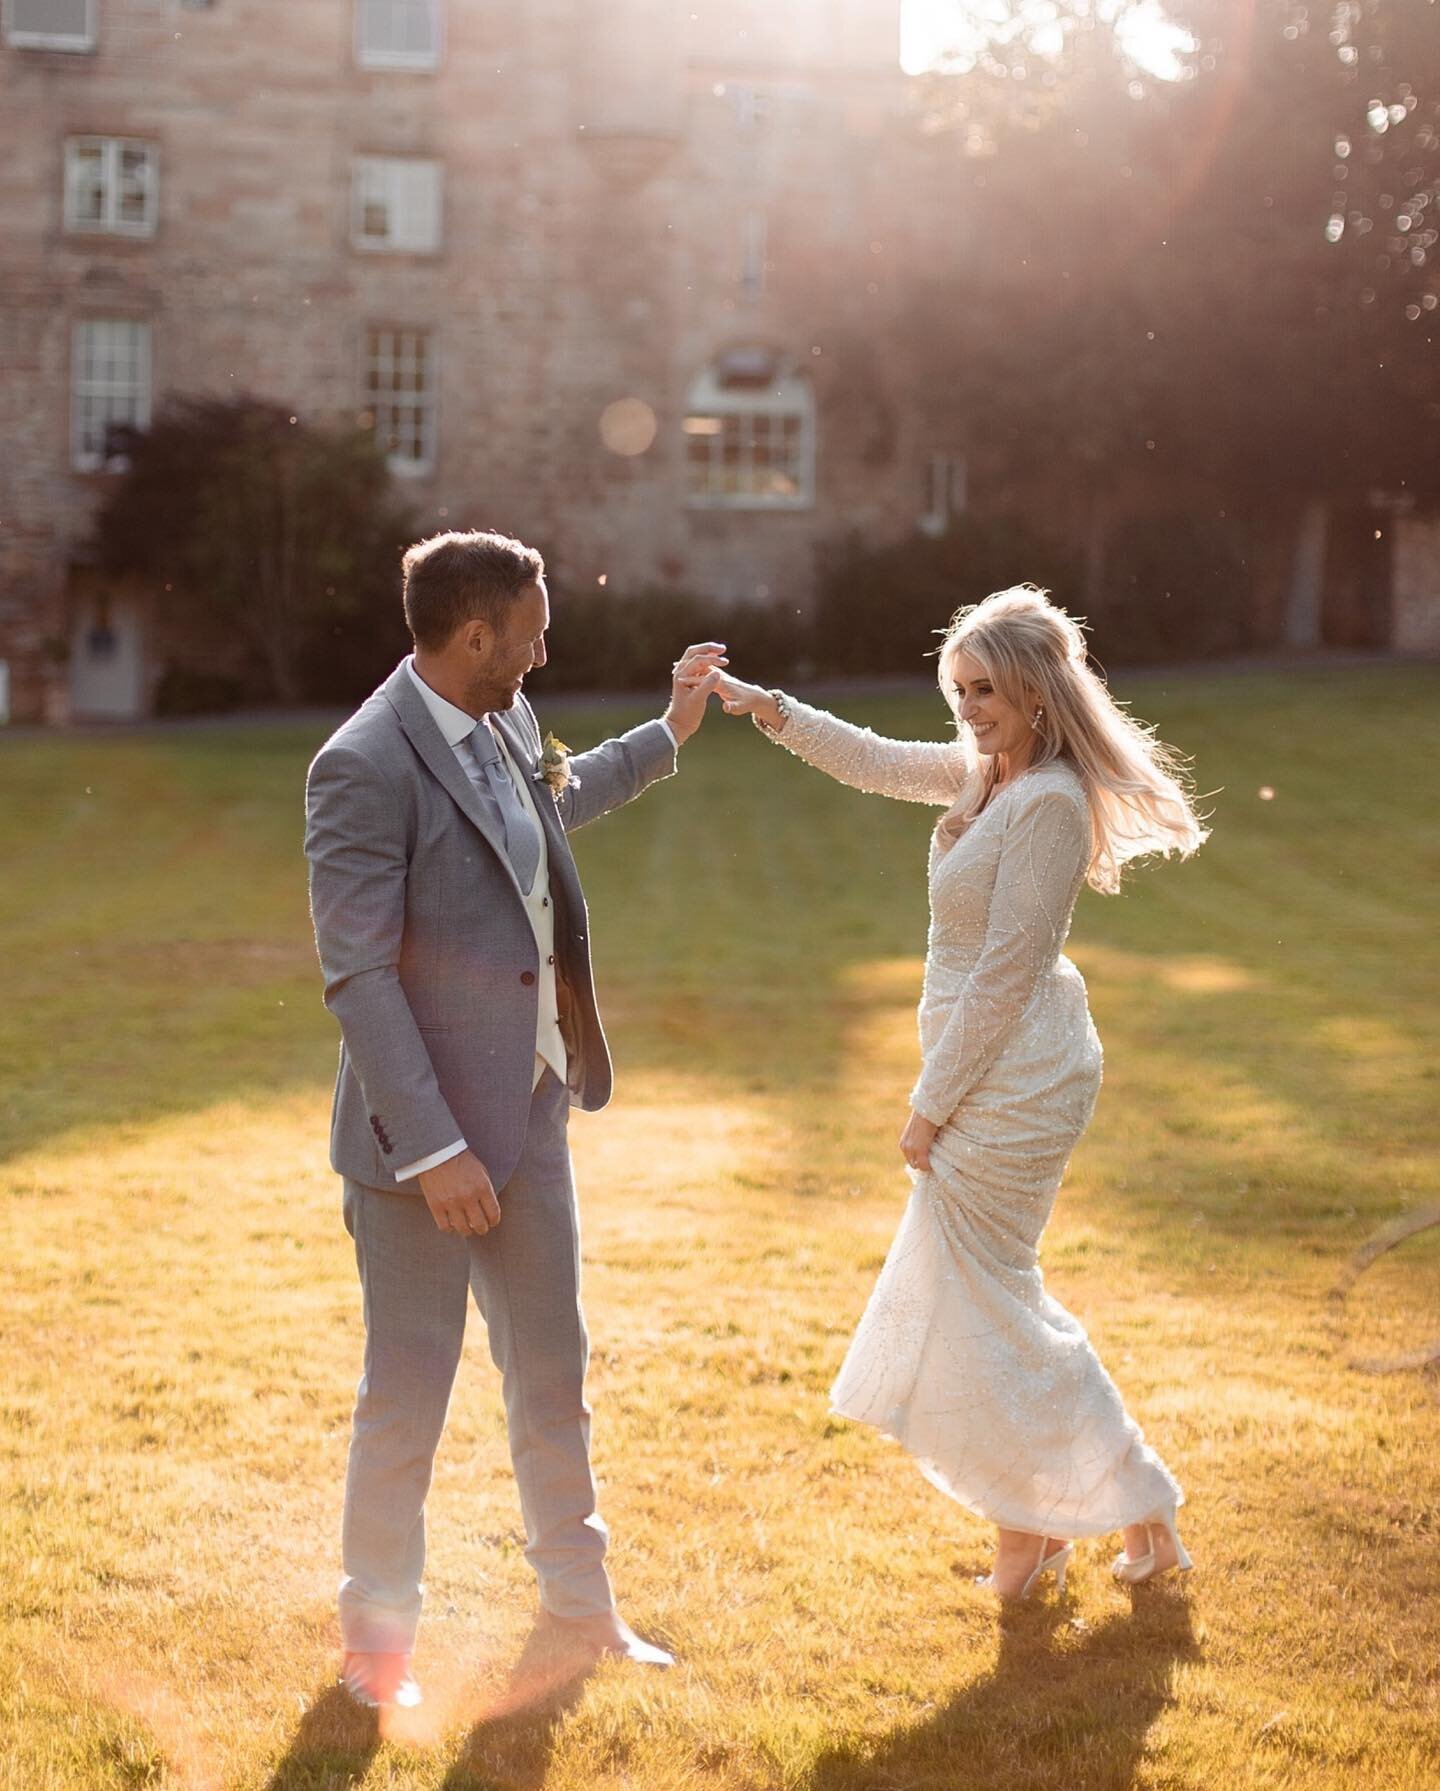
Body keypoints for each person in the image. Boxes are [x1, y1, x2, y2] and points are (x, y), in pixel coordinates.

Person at [714, 585, 1206, 1601]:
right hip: (979, 1063)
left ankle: (1044, 1539)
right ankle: (1116, 1523)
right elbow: (880, 760)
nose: (972, 708)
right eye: (962, 688)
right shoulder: (988, 775)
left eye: (988, 690)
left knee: (989, 1308)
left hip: (1016, 1076)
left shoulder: (1052, 806)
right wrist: (769, 707)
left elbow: (1008, 974)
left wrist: (929, 1104)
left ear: (1036, 692)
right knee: (990, 1305)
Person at [304, 529, 723, 1709]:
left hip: (533, 1112)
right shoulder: (362, 765)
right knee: (408, 1397)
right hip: (417, 1154)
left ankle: (582, 1615)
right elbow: (358, 977)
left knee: (553, 1374)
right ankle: (377, 1652)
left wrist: (667, 733)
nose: (547, 650)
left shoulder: (503, 720)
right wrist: (433, 1151)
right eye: (534, 632)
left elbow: (545, 812)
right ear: (476, 634)